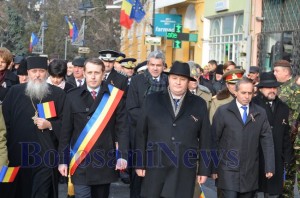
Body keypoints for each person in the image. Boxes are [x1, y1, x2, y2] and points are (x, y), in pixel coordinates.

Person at [135, 61, 211, 198]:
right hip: (155, 165)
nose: (178, 82)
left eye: (182, 79)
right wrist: (140, 162)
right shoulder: (152, 100)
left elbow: (206, 138)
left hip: (184, 167)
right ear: (168, 79)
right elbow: (141, 133)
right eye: (175, 78)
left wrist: (204, 170)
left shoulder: (199, 104)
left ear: (188, 81)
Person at [58, 58, 129, 198]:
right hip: (80, 160)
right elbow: (65, 131)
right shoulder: (72, 96)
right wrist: (62, 160)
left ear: (103, 74)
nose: (93, 76)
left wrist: (123, 155)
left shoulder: (115, 96)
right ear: (84, 73)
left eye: (97, 72)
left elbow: (122, 129)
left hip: (104, 161)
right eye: (89, 72)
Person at [1, 56, 66, 198]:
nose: (37, 75)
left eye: (41, 71)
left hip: (44, 156)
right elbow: (4, 125)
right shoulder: (14, 92)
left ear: (47, 73)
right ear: (28, 73)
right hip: (17, 155)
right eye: (34, 71)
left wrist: (50, 124)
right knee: (15, 191)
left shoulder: (58, 94)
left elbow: (66, 125)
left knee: (41, 192)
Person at [211, 77, 275, 198]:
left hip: (250, 171)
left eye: (250, 93)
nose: (246, 96)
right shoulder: (223, 112)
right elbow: (214, 140)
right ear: (235, 92)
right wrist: (213, 168)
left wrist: (269, 166)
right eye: (243, 93)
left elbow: (267, 140)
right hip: (227, 171)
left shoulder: (260, 113)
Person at [126, 50, 168, 198]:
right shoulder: (137, 81)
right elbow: (131, 108)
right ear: (147, 65)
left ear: (163, 66)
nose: (155, 68)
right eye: (152, 65)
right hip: (141, 135)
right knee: (138, 176)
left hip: (164, 137)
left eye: (158, 65)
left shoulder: (169, 81)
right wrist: (152, 122)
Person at [252, 72, 294, 197]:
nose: (272, 90)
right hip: (256, 159)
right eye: (269, 87)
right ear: (261, 89)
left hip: (276, 159)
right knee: (254, 192)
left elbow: (286, 135)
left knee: (274, 194)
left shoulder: (283, 107)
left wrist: (287, 157)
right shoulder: (253, 105)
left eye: (274, 87)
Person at [273, 60, 300, 197]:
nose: (274, 73)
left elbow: (294, 119)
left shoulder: (294, 90)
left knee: (292, 175)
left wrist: (288, 141)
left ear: (286, 72)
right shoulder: (278, 88)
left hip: (292, 141)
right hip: (282, 139)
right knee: (283, 177)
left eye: (277, 71)